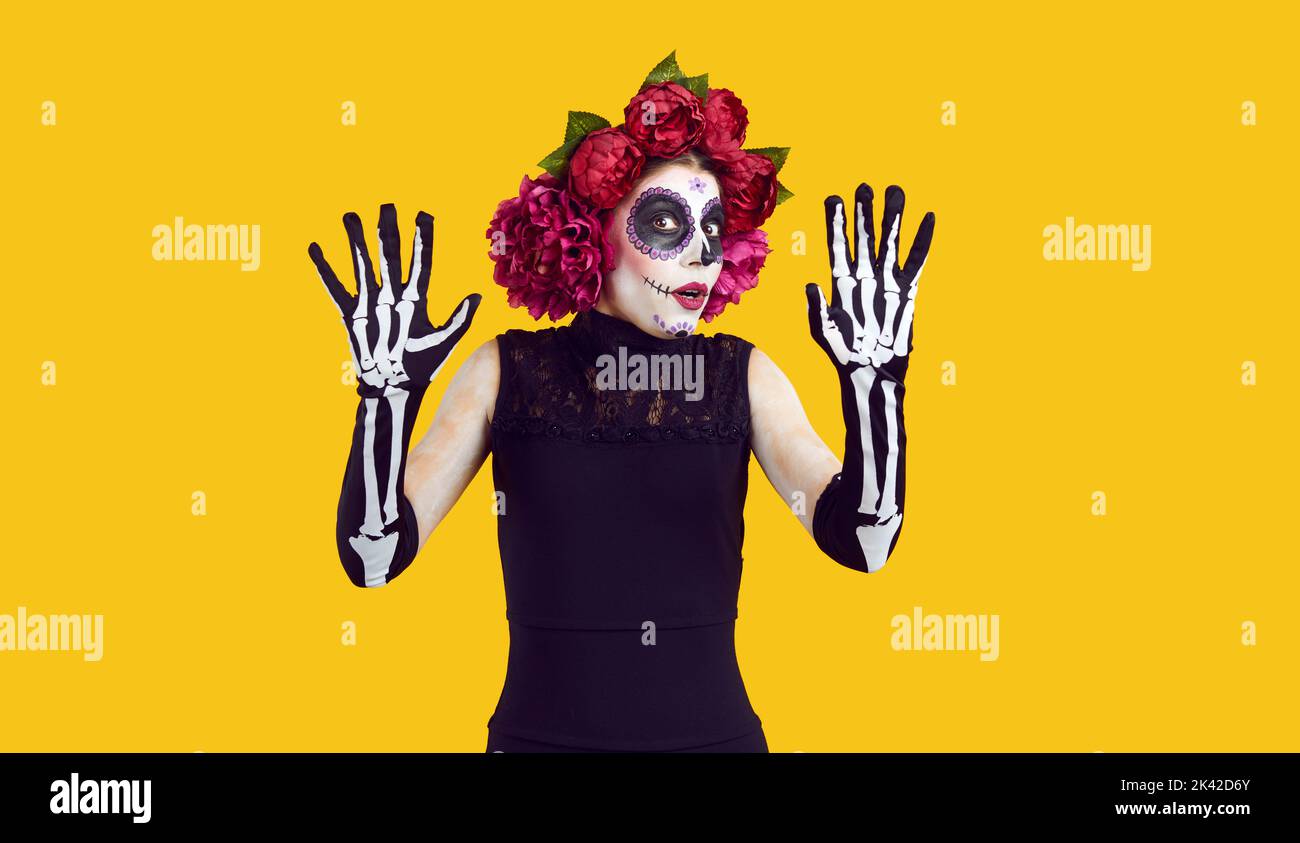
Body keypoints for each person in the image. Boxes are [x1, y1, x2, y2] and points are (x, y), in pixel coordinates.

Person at [307, 54, 935, 752]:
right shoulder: (505, 370)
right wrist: (384, 398)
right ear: (589, 231)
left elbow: (865, 541)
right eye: (666, 224)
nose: (703, 253)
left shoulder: (742, 376)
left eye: (714, 229)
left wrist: (876, 389)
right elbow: (374, 556)